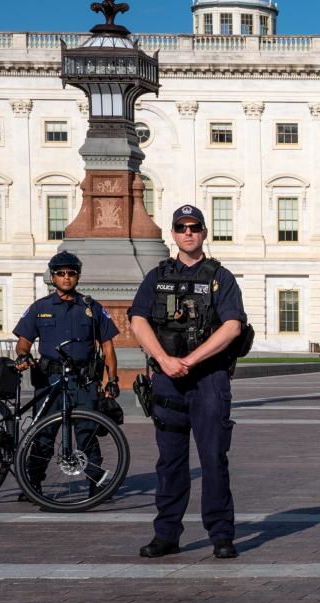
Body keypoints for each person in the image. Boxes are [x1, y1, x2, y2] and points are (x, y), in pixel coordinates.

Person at [129, 204, 247, 559]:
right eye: (182, 227)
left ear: (204, 232)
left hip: (208, 378)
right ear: (174, 234)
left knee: (213, 458)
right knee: (169, 462)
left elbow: (232, 326)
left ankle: (221, 535)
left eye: (195, 227)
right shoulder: (157, 275)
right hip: (168, 380)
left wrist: (191, 361)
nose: (188, 233)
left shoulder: (220, 278)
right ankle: (167, 534)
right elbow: (137, 319)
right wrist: (165, 361)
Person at [11, 250, 120, 504]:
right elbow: (24, 341)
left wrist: (111, 380)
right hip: (49, 382)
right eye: (61, 273)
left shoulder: (92, 307)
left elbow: (108, 348)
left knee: (87, 435)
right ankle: (33, 484)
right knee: (44, 436)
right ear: (53, 277)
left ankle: (95, 484)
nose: (66, 278)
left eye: (71, 273)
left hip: (83, 383)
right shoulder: (40, 308)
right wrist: (22, 356)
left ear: (78, 276)